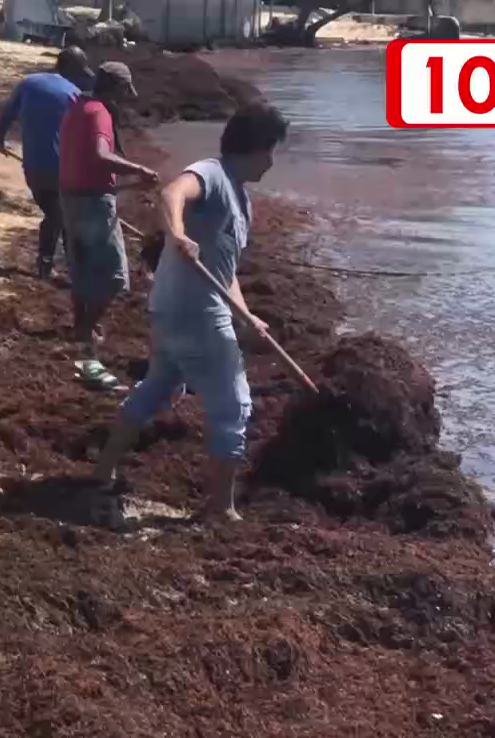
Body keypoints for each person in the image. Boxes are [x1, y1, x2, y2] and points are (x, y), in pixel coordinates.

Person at [90, 102, 290, 521]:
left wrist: (246, 315)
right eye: (270, 151)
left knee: (156, 388)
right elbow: (171, 193)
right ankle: (221, 507)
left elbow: (225, 270)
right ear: (252, 147)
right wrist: (177, 235)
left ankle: (104, 470)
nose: (272, 162)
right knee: (234, 405)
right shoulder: (213, 174)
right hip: (196, 313)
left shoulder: (240, 198)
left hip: (173, 310)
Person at [57, 60, 160, 390]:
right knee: (116, 278)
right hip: (91, 204)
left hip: (71, 198)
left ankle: (83, 335)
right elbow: (101, 156)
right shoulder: (100, 112)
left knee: (83, 270)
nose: (124, 100)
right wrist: (139, 170)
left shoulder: (77, 108)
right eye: (123, 93)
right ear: (115, 89)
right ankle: (86, 332)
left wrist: (124, 185)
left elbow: (84, 164)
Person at [0, 46, 95, 280]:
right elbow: (85, 139)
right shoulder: (74, 95)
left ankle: (52, 262)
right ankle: (62, 266)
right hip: (61, 171)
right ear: (69, 68)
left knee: (57, 214)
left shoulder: (28, 83)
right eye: (79, 72)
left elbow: (7, 114)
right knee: (64, 217)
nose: (81, 78)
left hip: (33, 169)